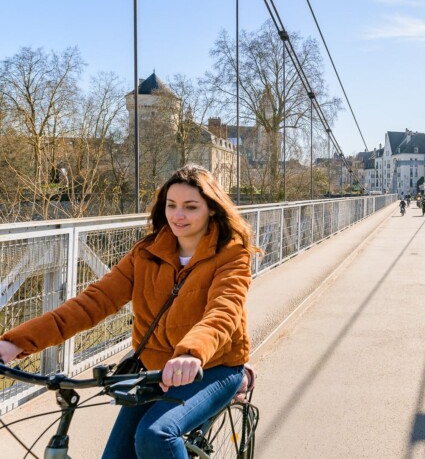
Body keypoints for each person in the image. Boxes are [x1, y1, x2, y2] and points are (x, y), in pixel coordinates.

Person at [0, 164, 260, 458]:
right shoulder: (146, 253)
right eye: (171, 205)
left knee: (156, 435)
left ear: (211, 209)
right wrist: (16, 342)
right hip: (154, 371)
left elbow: (224, 311)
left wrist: (191, 353)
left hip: (213, 368)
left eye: (190, 207)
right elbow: (92, 303)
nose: (178, 215)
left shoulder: (232, 254)